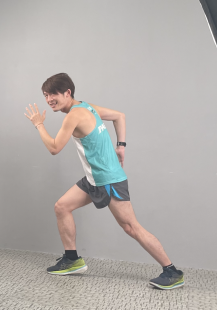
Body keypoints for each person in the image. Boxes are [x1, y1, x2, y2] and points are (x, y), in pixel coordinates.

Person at [24, 72, 183, 290]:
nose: (49, 99)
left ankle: (172, 272)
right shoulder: (87, 107)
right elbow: (119, 116)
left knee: (131, 227)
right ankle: (72, 259)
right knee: (62, 207)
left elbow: (54, 148)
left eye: (54, 94)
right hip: (94, 178)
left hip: (108, 179)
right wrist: (121, 146)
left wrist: (38, 125)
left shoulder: (73, 116)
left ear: (67, 93)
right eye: (45, 95)